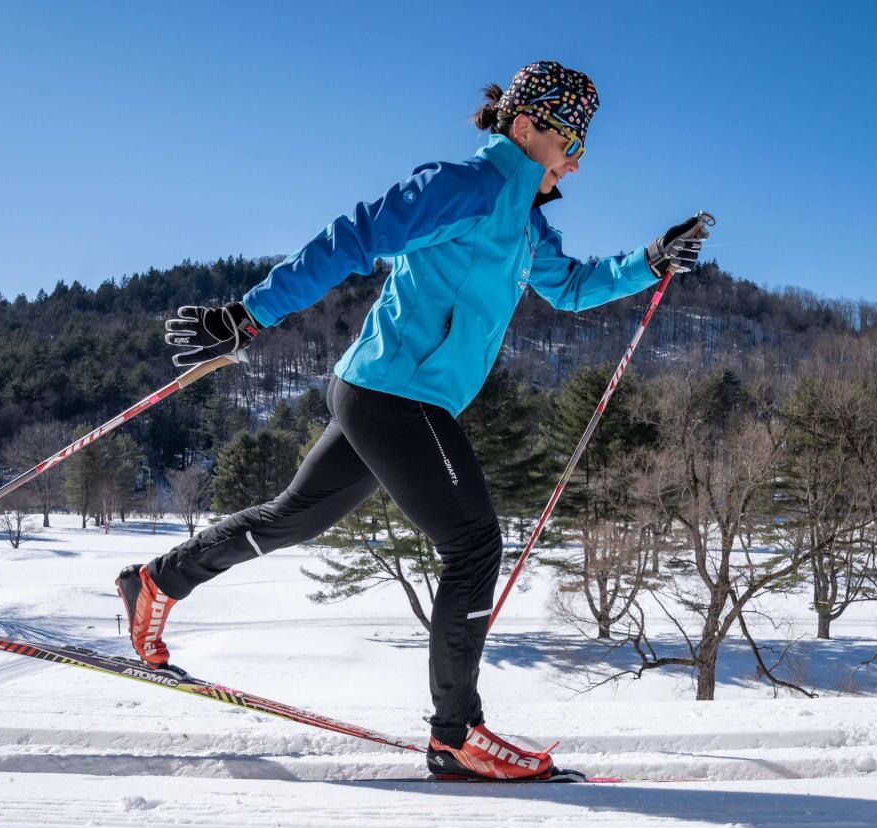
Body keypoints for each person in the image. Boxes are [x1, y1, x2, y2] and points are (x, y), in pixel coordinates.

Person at [117, 61, 711, 781]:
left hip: (386, 392)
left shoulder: (524, 223)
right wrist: (249, 315)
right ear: (527, 127)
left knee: (293, 517)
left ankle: (157, 582)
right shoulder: (463, 186)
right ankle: (456, 735)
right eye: (571, 143)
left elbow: (572, 288)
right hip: (397, 394)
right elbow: (354, 236)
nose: (576, 162)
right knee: (474, 545)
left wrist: (651, 261)